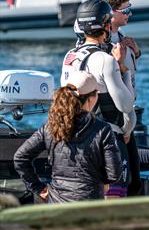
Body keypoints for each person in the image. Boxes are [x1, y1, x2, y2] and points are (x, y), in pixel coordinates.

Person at [61, 0, 135, 198]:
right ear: (106, 25)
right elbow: (126, 104)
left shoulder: (69, 56)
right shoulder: (105, 60)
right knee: (113, 206)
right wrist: (123, 68)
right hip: (107, 141)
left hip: (75, 141)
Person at [14, 72, 122, 203]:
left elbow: (20, 157)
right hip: (90, 205)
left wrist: (39, 188)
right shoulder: (103, 129)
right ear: (90, 99)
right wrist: (101, 182)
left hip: (57, 205)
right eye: (96, 93)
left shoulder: (49, 127)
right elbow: (114, 174)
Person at [98, 0, 143, 196]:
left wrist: (136, 54)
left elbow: (129, 79)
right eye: (125, 10)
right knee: (117, 181)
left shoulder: (123, 38)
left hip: (127, 116)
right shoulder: (100, 45)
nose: (129, 14)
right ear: (111, 13)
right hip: (112, 120)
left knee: (135, 181)